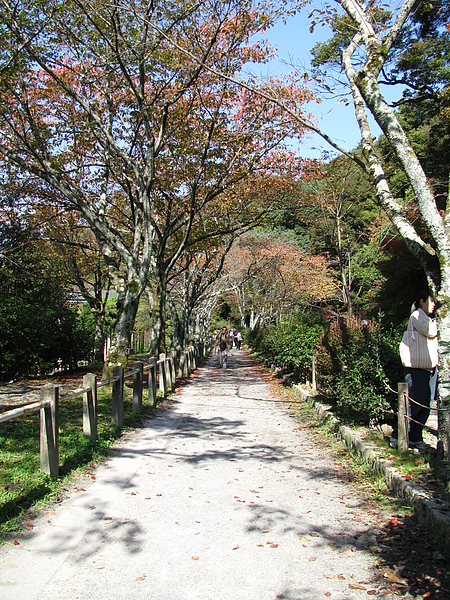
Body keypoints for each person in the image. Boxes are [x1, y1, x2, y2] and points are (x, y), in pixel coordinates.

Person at [390, 290, 438, 452]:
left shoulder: (427, 318)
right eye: (430, 301)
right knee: (412, 404)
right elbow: (429, 331)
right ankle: (398, 436)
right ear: (422, 301)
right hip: (416, 368)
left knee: (426, 405)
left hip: (428, 367)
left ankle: (416, 437)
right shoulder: (416, 316)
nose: (433, 305)